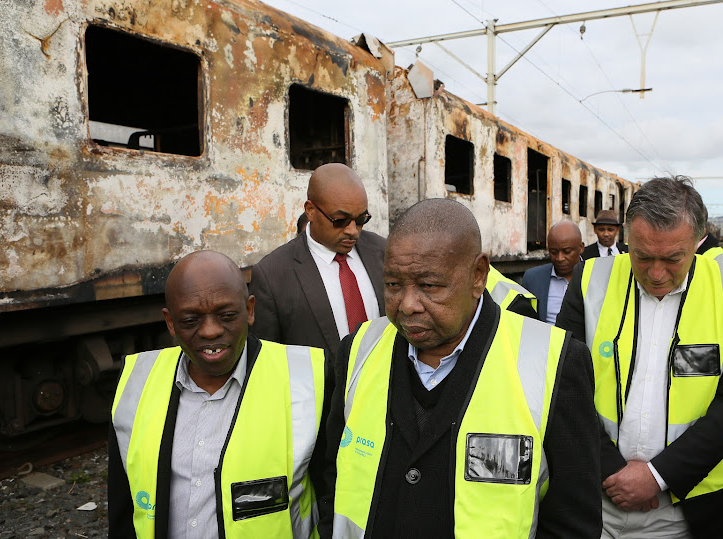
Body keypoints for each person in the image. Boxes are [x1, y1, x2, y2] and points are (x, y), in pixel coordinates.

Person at [319, 199, 601, 538]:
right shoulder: (358, 350)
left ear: (477, 275)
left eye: (429, 286)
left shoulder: (555, 361)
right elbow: (330, 480)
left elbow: (573, 524)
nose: (407, 305)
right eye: (393, 285)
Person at [109, 251, 329, 538]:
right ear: (170, 323)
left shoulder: (308, 378)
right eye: (190, 320)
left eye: (226, 316)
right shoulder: (135, 383)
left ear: (250, 310)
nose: (211, 331)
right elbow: (123, 510)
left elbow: (333, 495)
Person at [556, 176, 723, 538]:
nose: (657, 273)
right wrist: (613, 471)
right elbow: (562, 384)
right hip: (594, 497)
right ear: (626, 238)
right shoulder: (590, 278)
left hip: (689, 510)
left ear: (698, 241)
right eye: (642, 256)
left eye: (673, 258)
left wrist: (658, 477)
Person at [249, 163, 386, 360]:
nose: (352, 231)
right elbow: (266, 360)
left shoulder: (382, 252)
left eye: (361, 220)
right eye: (340, 220)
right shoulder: (273, 275)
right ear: (310, 210)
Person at [522, 220, 584, 324]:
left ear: (581, 248)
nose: (559, 258)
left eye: (567, 252)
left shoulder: (595, 278)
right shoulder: (532, 279)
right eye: (553, 252)